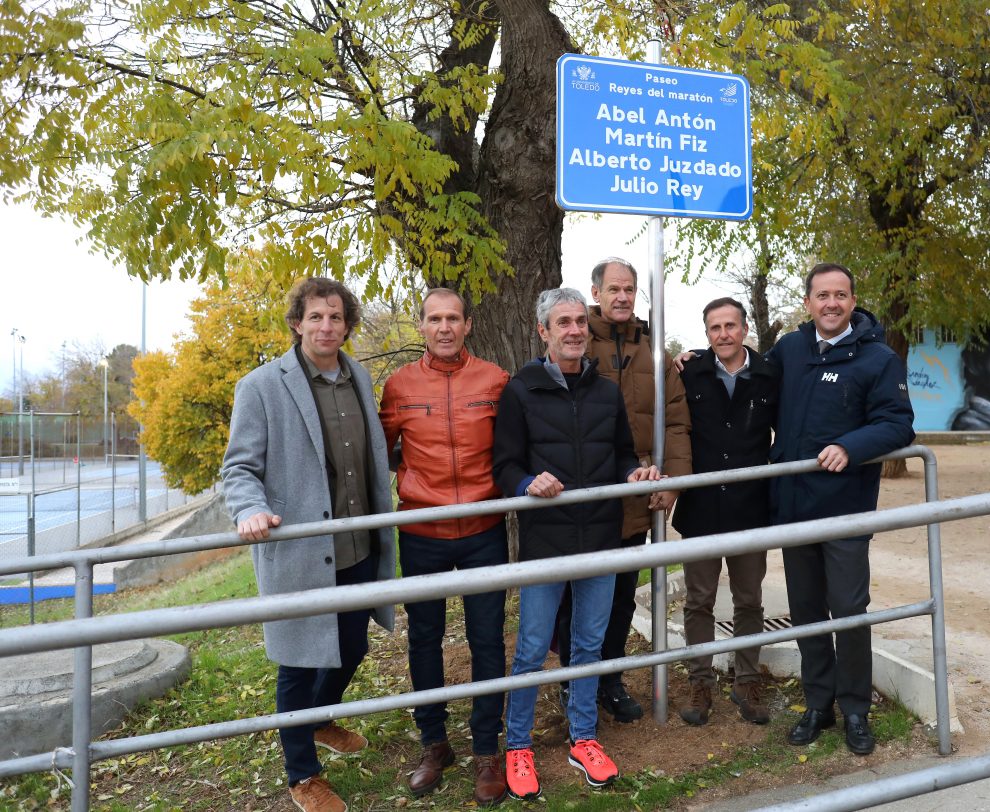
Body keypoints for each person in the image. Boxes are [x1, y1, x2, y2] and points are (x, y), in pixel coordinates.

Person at [221, 277, 396, 812]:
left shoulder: (359, 378)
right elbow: (239, 469)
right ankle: (302, 774)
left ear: (348, 325)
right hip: (300, 553)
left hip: (358, 546)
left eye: (336, 317)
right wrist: (249, 509)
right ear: (297, 322)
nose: (327, 326)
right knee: (298, 664)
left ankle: (319, 719)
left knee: (354, 646)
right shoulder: (261, 387)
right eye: (316, 316)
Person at [492, 288, 661, 800]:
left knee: (588, 646)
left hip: (600, 539)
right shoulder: (521, 390)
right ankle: (517, 745)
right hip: (546, 541)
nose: (573, 331)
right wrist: (527, 485)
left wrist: (634, 472)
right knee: (530, 651)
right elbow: (505, 466)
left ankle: (583, 737)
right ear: (543, 331)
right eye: (562, 323)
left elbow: (619, 456)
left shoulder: (605, 392)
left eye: (578, 323)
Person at [767, 263, 915, 756]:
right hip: (793, 507)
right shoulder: (789, 349)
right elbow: (751, 386)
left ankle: (855, 709)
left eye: (841, 295)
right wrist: (697, 362)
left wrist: (851, 445)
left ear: (853, 301)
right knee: (807, 610)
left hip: (845, 509)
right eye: (822, 295)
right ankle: (818, 704)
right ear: (808, 301)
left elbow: (898, 423)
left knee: (848, 610)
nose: (831, 303)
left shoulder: (878, 359)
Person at [377, 288, 509, 805]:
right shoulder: (400, 384)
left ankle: (485, 749)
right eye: (435, 319)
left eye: (453, 318)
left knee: (487, 641)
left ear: (469, 324)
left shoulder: (495, 380)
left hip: (482, 530)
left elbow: (513, 444)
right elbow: (384, 450)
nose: (445, 327)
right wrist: (415, 484)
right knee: (424, 640)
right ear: (422, 327)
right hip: (423, 532)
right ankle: (434, 743)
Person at [556, 257, 692, 723]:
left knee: (620, 595)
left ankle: (610, 681)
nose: (621, 297)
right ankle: (574, 681)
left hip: (639, 492)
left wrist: (671, 481)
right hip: (587, 495)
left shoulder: (655, 349)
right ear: (596, 293)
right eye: (613, 288)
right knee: (577, 595)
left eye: (629, 289)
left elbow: (675, 420)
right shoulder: (575, 341)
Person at [671, 297, 780, 726]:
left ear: (745, 327)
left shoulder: (770, 374)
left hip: (750, 504)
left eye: (730, 325)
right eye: (715, 328)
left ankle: (747, 679)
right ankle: (700, 681)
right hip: (701, 507)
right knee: (698, 599)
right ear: (706, 333)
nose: (724, 335)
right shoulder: (689, 372)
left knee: (749, 599)